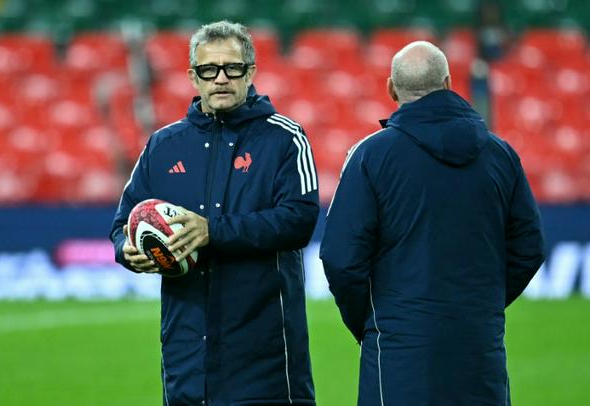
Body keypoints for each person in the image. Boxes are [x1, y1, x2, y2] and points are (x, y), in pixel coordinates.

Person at [320, 41, 545, 405]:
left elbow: (340, 258)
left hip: (399, 353)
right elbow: (529, 248)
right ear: (448, 83)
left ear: (391, 89)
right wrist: (480, 305)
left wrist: (371, 322)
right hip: (479, 349)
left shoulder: (370, 156)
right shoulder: (501, 155)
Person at [110, 20, 319, 406]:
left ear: (250, 73)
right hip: (186, 357)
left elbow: (299, 220)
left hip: (264, 359)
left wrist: (213, 231)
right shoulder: (163, 145)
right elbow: (123, 224)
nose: (221, 78)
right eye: (209, 70)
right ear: (193, 77)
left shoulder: (285, 138)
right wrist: (129, 251)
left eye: (232, 68)